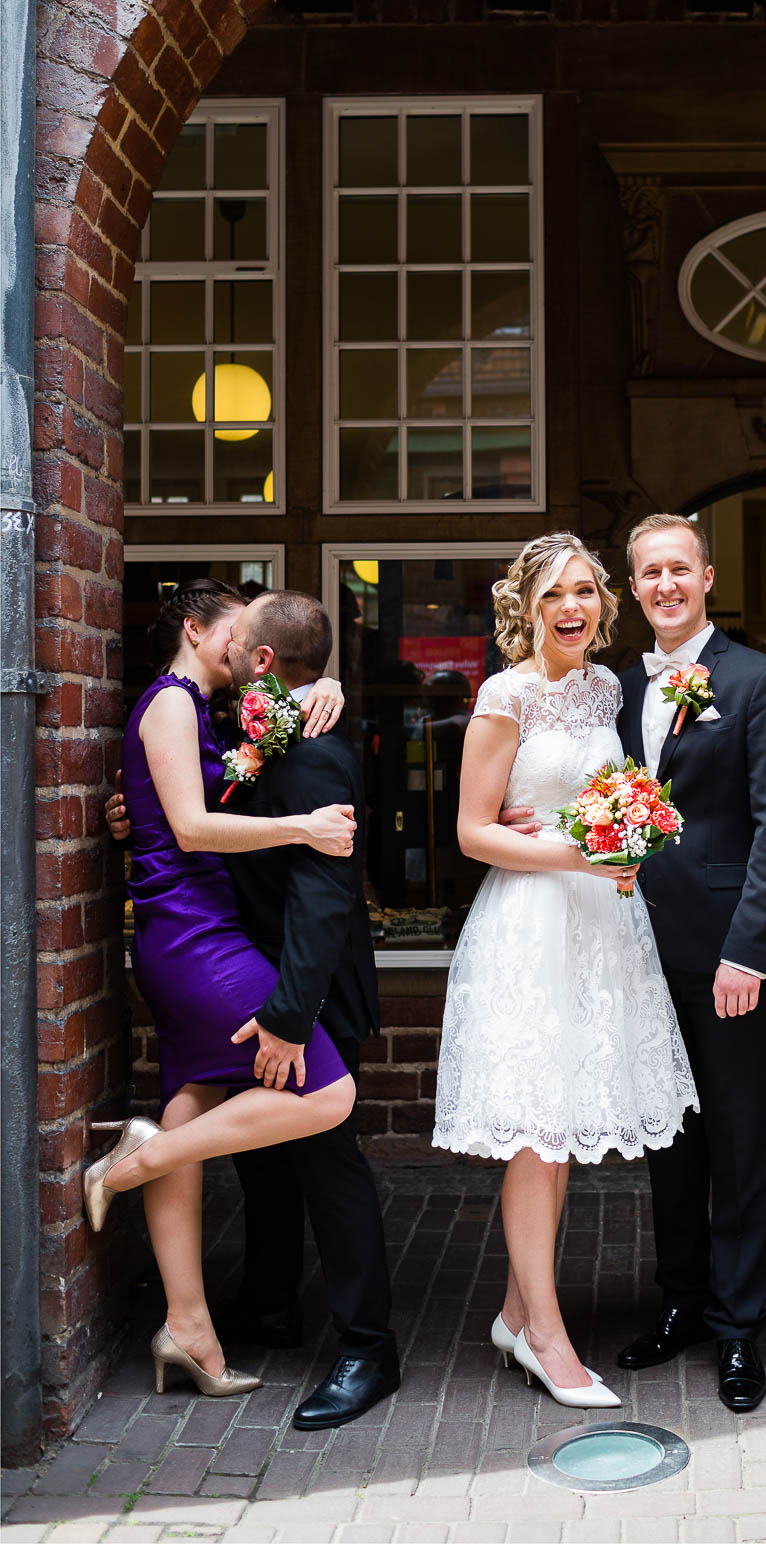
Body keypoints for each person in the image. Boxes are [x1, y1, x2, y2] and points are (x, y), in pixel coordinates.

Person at [107, 587, 399, 1430]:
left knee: (329, 1158)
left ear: (261, 659)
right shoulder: (238, 725)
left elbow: (322, 902)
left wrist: (290, 1012)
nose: (231, 650)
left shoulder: (310, 745)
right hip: (245, 965)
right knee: (267, 1158)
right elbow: (190, 808)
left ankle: (367, 1349)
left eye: (245, 637)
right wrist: (132, 813)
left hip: (302, 987)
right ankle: (270, 1304)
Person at [432, 533, 698, 1410]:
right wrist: (576, 854)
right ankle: (547, 1338)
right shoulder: (504, 695)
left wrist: (627, 843)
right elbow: (473, 833)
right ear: (527, 608)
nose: (573, 608)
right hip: (530, 926)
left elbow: (607, 800)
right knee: (538, 1136)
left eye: (584, 592)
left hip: (600, 925)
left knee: (565, 1125)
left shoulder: (605, 686)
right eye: (554, 596)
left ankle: (517, 1314)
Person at [614, 514, 766, 1413]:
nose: (664, 585)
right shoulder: (613, 689)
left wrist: (750, 951)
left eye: (678, 570)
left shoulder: (758, 681)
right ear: (634, 586)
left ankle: (738, 1330)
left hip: (728, 955)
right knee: (671, 1139)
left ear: (708, 577)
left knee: (735, 1140)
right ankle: (683, 1301)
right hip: (635, 950)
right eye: (648, 573)